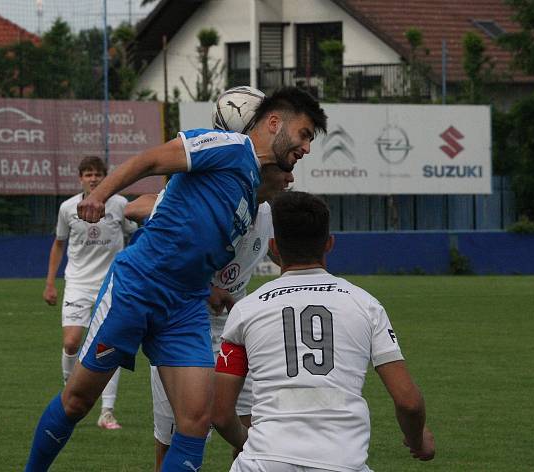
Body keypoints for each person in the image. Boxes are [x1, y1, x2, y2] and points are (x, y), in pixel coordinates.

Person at [24, 87, 327, 472]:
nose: (305, 148)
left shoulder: (250, 194)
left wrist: (215, 288)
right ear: (273, 123)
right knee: (77, 402)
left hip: (185, 307)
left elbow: (200, 242)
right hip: (139, 286)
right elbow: (150, 160)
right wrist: (99, 194)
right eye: (303, 134)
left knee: (196, 423)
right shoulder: (228, 146)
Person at [212, 191, 436, 472]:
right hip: (341, 464)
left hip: (264, 462)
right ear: (329, 243)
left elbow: (220, 414)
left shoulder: (246, 310)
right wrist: (417, 440)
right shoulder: (365, 304)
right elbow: (409, 402)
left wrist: (249, 444)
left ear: (274, 247)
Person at [131, 163, 294, 471]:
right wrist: (206, 288)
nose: (291, 177)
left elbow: (290, 256)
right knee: (179, 438)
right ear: (261, 173)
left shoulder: (269, 216)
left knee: (253, 436)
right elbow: (160, 253)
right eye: (284, 170)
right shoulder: (210, 207)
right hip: (182, 325)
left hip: (236, 332)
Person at [42, 155, 136, 430]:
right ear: (80, 178)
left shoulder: (119, 205)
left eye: (98, 174)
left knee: (109, 346)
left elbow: (136, 232)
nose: (93, 178)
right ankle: (70, 395)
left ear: (105, 177)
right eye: (88, 174)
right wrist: (50, 282)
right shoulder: (67, 208)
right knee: (71, 343)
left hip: (112, 284)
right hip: (78, 284)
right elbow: (59, 244)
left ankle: (106, 412)